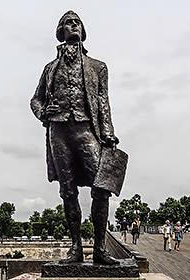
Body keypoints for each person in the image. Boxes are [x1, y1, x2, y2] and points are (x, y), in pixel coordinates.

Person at [30, 11, 120, 265]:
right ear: (61, 31)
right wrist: (42, 113)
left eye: (77, 23)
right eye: (69, 23)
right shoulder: (50, 69)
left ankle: (100, 249)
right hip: (58, 132)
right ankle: (76, 248)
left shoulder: (97, 67)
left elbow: (103, 102)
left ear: (83, 30)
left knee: (101, 188)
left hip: (86, 130)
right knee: (67, 192)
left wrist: (108, 133)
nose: (74, 26)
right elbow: (35, 99)